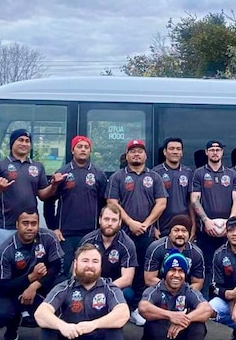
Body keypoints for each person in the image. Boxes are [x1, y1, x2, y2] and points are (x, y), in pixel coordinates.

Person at [32, 244, 130, 340]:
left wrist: (94, 324)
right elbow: (40, 314)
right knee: (48, 325)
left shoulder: (110, 288)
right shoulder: (64, 287)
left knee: (115, 326)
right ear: (75, 263)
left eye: (95, 261)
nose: (90, 265)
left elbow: (123, 313)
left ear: (100, 265)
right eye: (85, 261)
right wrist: (62, 326)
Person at [0, 129, 57, 332]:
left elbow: (43, 194)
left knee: (26, 269)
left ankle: (22, 309)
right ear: (11, 143)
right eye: (20, 140)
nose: (24, 143)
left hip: (29, 229)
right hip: (4, 227)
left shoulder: (37, 167)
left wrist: (54, 186)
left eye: (27, 140)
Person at [107, 139, 167, 326]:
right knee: (121, 269)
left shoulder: (155, 177)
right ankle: (116, 307)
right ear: (127, 155)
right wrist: (131, 222)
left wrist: (146, 224)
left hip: (146, 234)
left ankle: (137, 309)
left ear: (145, 155)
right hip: (123, 233)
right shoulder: (118, 177)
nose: (136, 154)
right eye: (132, 151)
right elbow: (112, 202)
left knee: (144, 271)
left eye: (140, 151)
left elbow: (161, 203)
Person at [138, 252, 213, 340]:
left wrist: (185, 320)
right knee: (154, 320)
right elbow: (143, 307)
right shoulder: (155, 289)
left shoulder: (188, 290)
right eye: (172, 270)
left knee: (198, 323)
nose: (176, 275)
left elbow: (207, 309)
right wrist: (171, 316)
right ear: (165, 272)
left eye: (181, 271)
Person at [0, 210, 63, 340]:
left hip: (41, 285)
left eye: (33, 223)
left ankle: (57, 326)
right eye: (25, 223)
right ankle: (13, 324)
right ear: (17, 225)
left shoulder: (48, 237)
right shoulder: (5, 250)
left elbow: (56, 267)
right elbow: (2, 287)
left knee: (63, 283)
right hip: (13, 290)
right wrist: (31, 277)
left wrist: (34, 286)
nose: (30, 227)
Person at [44, 135, 108, 277]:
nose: (83, 150)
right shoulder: (62, 173)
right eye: (79, 147)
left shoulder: (99, 175)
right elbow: (48, 202)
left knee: (89, 272)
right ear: (73, 150)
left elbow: (105, 204)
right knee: (65, 272)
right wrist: (53, 228)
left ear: (90, 151)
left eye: (86, 147)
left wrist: (101, 228)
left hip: (91, 233)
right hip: (66, 234)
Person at [190, 139, 236, 290]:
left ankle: (227, 296)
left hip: (227, 229)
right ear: (207, 152)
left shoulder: (232, 174)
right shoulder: (199, 173)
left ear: (222, 152)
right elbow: (194, 199)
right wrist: (206, 221)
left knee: (228, 263)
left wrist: (230, 223)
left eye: (218, 150)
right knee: (206, 265)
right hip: (206, 229)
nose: (215, 152)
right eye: (211, 150)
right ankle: (206, 300)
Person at [79, 204, 138, 303]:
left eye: (114, 220)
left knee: (128, 294)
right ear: (100, 220)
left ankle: (126, 314)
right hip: (90, 283)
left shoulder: (127, 244)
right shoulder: (88, 240)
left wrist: (104, 289)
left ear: (120, 222)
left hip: (114, 286)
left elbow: (127, 279)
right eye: (106, 219)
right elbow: (77, 270)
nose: (110, 223)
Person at [143, 214, 205, 292]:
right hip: (158, 290)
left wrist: (181, 292)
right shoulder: (156, 248)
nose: (180, 234)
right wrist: (172, 289)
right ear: (170, 233)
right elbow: (149, 279)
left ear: (189, 234)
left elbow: (198, 283)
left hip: (185, 293)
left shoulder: (196, 253)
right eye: (176, 230)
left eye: (184, 231)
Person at [153, 137, 195, 238]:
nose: (175, 152)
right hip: (162, 226)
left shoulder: (188, 172)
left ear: (182, 152)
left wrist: (193, 226)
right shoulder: (155, 173)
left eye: (178, 149)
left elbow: (191, 202)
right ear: (164, 152)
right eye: (171, 149)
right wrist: (153, 227)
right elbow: (150, 203)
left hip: (183, 226)